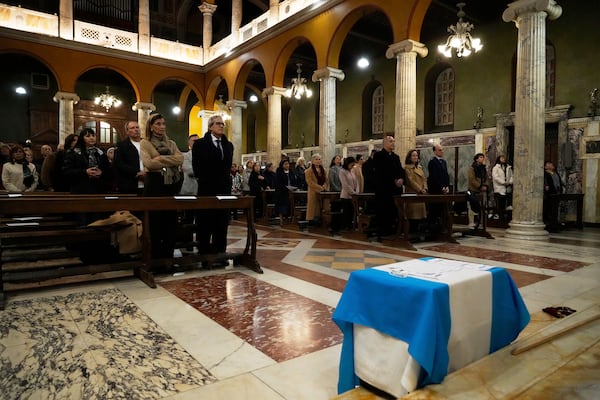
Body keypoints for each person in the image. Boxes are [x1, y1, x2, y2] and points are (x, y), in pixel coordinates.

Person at [140, 113, 184, 259]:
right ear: (151, 127)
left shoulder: (171, 143)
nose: (161, 127)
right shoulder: (145, 143)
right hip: (154, 185)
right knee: (155, 225)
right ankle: (156, 259)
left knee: (170, 225)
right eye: (158, 124)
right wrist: (169, 160)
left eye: (163, 124)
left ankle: (168, 258)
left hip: (170, 186)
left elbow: (180, 159)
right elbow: (149, 164)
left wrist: (161, 158)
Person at [192, 115, 233, 265]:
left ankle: (220, 254)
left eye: (222, 124)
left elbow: (227, 167)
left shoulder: (228, 145)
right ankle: (204, 255)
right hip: (207, 188)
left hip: (224, 189)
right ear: (210, 127)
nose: (221, 126)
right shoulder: (201, 144)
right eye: (218, 124)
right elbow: (197, 167)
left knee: (221, 223)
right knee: (205, 222)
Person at [372, 135, 405, 238]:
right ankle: (382, 232)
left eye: (394, 141)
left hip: (395, 190)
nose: (393, 143)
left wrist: (401, 179)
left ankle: (393, 231)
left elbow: (400, 170)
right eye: (391, 141)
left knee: (394, 212)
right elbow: (380, 172)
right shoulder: (378, 156)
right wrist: (393, 180)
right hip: (384, 190)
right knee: (383, 212)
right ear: (385, 143)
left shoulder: (396, 157)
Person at [62, 127, 110, 194]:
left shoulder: (101, 153)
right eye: (88, 136)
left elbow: (108, 171)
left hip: (99, 189)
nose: (92, 138)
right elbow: (67, 171)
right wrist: (85, 172)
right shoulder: (74, 153)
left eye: (93, 135)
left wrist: (101, 172)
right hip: (80, 189)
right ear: (82, 138)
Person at [114, 121, 146, 195]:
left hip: (147, 183)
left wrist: (147, 173)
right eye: (132, 128)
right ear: (127, 132)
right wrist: (137, 172)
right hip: (129, 184)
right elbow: (120, 164)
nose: (136, 129)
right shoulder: (121, 146)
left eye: (137, 127)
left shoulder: (147, 143)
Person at [404, 149, 428, 231]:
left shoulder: (419, 167)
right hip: (412, 193)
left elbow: (424, 179)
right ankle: (411, 231)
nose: (415, 157)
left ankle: (419, 230)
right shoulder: (407, 168)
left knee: (421, 215)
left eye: (416, 155)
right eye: (413, 155)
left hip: (421, 194)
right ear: (409, 157)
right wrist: (420, 189)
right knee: (413, 214)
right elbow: (410, 181)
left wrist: (425, 188)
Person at [427, 144, 451, 227]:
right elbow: (434, 177)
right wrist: (441, 187)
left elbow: (446, 175)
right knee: (435, 209)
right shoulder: (432, 162)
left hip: (444, 189)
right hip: (435, 189)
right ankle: (433, 226)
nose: (442, 151)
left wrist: (447, 186)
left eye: (442, 149)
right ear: (435, 151)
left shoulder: (444, 162)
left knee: (443, 209)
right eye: (439, 150)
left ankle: (442, 226)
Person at [304, 153, 329, 225]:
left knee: (323, 206)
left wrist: (324, 187)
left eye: (319, 159)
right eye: (316, 159)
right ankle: (312, 220)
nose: (318, 161)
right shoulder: (308, 171)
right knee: (313, 207)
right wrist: (319, 188)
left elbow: (327, 180)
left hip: (323, 191)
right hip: (313, 191)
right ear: (312, 161)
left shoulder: (324, 170)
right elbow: (310, 182)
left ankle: (322, 219)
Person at [467, 152, 489, 229]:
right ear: (476, 159)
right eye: (480, 157)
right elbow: (472, 180)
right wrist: (480, 186)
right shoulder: (472, 168)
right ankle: (471, 222)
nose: (482, 159)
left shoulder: (483, 168)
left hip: (482, 190)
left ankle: (482, 222)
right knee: (472, 206)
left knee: (483, 206)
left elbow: (486, 178)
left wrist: (485, 185)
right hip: (473, 190)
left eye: (483, 157)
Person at [543, 160, 564, 232]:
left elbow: (559, 182)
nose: (552, 165)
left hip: (556, 194)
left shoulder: (555, 172)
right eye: (549, 164)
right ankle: (550, 226)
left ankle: (555, 225)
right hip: (549, 195)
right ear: (546, 166)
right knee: (549, 211)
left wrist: (560, 190)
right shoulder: (545, 174)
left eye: (551, 164)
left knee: (555, 211)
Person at [339, 156, 358, 230]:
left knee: (352, 211)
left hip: (354, 195)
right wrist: (352, 192)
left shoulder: (352, 171)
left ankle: (350, 225)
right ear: (347, 163)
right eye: (352, 165)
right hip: (346, 195)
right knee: (346, 211)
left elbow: (356, 182)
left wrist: (357, 191)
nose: (353, 166)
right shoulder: (342, 171)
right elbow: (345, 184)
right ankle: (345, 226)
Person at [491, 155, 513, 219]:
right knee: (500, 204)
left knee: (507, 203)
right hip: (499, 188)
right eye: (502, 158)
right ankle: (500, 217)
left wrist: (510, 182)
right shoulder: (496, 168)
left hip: (507, 187)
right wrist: (503, 182)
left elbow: (511, 175)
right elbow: (496, 177)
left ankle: (506, 217)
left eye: (504, 158)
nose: (503, 159)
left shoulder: (508, 167)